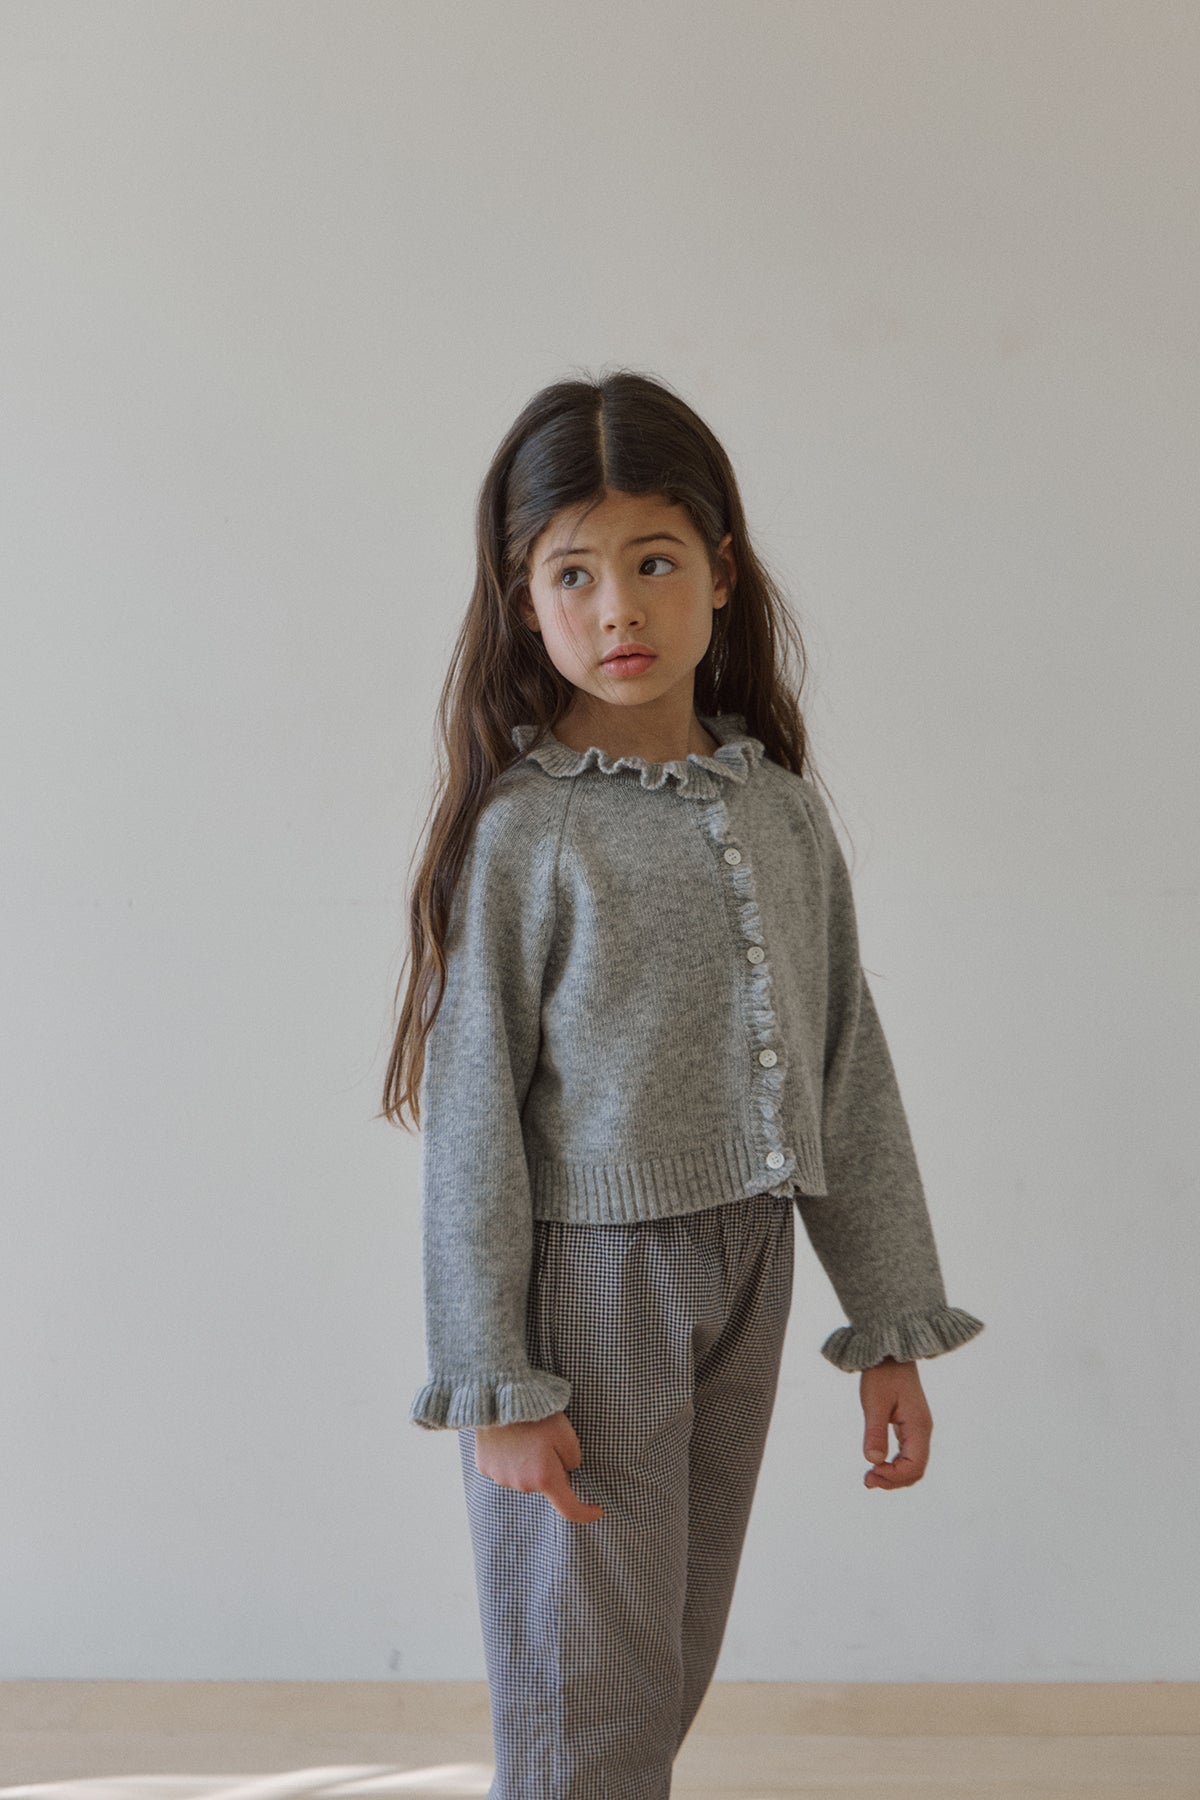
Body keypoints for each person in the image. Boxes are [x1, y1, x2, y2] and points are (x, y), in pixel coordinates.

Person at [379, 366, 985, 1800]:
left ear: (721, 570)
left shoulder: (778, 811)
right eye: (573, 574)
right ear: (525, 600)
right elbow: (472, 1130)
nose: (618, 611)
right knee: (582, 1687)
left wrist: (889, 1322)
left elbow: (844, 1073)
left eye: (653, 563)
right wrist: (496, 1381)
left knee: (664, 1665)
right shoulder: (527, 835)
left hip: (752, 1270)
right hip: (589, 1294)